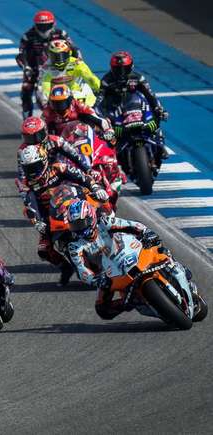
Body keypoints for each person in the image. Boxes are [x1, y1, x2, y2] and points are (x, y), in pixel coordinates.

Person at [16, 144, 108, 285]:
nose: (33, 172)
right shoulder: (26, 185)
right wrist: (37, 221)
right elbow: (30, 204)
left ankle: (116, 233)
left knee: (103, 204)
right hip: (51, 215)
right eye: (29, 168)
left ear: (44, 161)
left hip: (76, 201)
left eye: (36, 166)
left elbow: (81, 176)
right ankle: (66, 268)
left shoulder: (59, 168)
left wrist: (95, 187)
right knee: (43, 250)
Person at [65, 200, 172, 319]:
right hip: (109, 273)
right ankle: (132, 302)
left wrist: (146, 232)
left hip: (130, 250)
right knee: (102, 309)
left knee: (157, 245)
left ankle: (171, 265)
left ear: (91, 218)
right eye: (74, 225)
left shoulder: (104, 222)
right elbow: (81, 269)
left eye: (81, 223)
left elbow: (131, 225)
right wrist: (95, 280)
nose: (78, 228)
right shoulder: (74, 246)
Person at [96, 51, 169, 160]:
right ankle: (110, 153)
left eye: (124, 69)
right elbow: (100, 99)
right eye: (118, 69)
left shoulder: (138, 78)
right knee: (104, 132)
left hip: (137, 108)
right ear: (112, 68)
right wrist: (97, 113)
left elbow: (150, 95)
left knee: (156, 116)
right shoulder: (106, 80)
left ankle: (161, 145)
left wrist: (159, 109)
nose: (121, 73)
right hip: (116, 111)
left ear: (131, 67)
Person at [16, 10, 79, 118]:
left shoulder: (61, 34)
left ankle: (74, 110)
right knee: (26, 89)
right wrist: (26, 67)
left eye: (46, 26)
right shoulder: (28, 36)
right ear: (35, 25)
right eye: (41, 26)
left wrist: (77, 60)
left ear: (53, 24)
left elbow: (74, 49)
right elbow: (21, 55)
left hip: (57, 66)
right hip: (34, 68)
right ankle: (27, 117)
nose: (44, 29)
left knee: (75, 83)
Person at [17, 116, 92, 187]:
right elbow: (22, 172)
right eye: (29, 138)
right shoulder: (23, 151)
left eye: (37, 136)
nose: (34, 142)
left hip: (57, 170)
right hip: (38, 178)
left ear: (45, 131)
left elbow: (74, 155)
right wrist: (24, 186)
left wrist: (87, 169)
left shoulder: (56, 141)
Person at [40, 40, 99, 106]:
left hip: (75, 93)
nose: (59, 60)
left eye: (62, 55)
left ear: (69, 53)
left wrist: (100, 89)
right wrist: (45, 102)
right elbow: (44, 87)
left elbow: (90, 78)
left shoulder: (77, 63)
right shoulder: (46, 68)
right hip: (56, 98)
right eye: (55, 57)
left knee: (88, 90)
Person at [43, 84, 114, 138]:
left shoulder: (79, 106)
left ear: (70, 100)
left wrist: (108, 131)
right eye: (55, 104)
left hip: (83, 137)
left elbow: (99, 119)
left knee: (86, 117)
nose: (59, 107)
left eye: (62, 103)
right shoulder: (48, 112)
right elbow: (42, 132)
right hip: (63, 142)